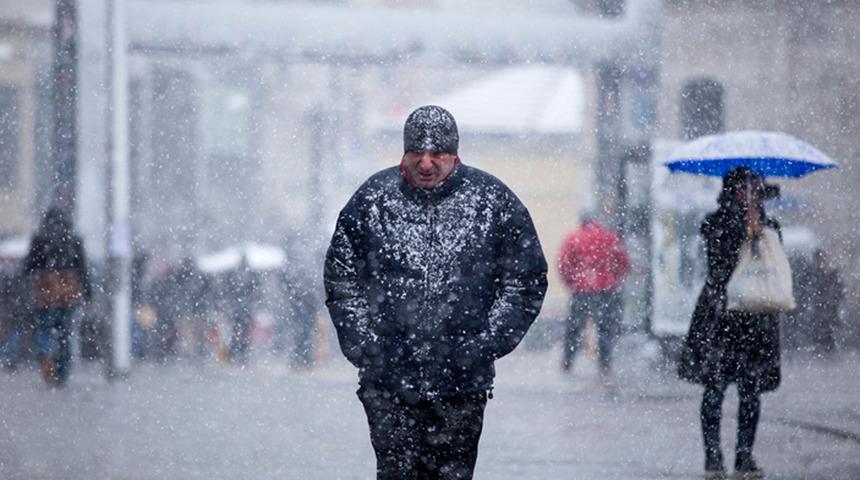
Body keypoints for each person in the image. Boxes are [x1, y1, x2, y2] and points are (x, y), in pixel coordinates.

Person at [324, 105, 548, 479]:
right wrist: (365, 346)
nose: (426, 163)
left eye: (437, 153)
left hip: (461, 385)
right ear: (404, 152)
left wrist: (484, 344)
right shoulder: (372, 201)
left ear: (454, 154)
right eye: (417, 152)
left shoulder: (492, 202)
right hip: (388, 383)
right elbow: (342, 279)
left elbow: (525, 281)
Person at [678, 167, 782, 480]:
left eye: (755, 187)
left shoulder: (769, 225)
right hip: (720, 316)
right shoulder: (714, 222)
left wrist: (758, 230)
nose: (749, 194)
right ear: (731, 190)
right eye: (743, 188)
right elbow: (719, 265)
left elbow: (774, 264)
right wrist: (743, 230)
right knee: (715, 389)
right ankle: (713, 457)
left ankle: (744, 457)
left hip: (755, 317)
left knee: (751, 392)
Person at [23, 207, 92, 386]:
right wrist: (88, 293)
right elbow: (82, 268)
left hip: (45, 289)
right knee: (65, 333)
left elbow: (29, 265)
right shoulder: (74, 239)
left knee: (44, 329)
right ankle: (62, 373)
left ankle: (46, 356)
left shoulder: (40, 238)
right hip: (68, 290)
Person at [557, 212, 630, 377]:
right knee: (605, 328)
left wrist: (572, 282)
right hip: (606, 290)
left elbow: (564, 264)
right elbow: (623, 262)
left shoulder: (574, 238)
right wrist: (613, 279)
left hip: (581, 289)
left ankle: (567, 362)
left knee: (574, 328)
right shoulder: (611, 238)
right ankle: (605, 363)